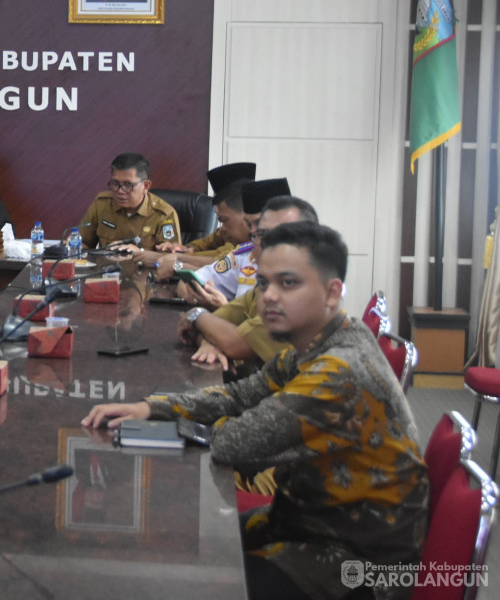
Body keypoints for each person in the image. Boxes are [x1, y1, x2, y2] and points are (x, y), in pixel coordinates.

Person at [83, 222, 428, 600]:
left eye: (289, 283)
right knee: (176, 551)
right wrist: (150, 407)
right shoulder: (322, 340)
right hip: (309, 520)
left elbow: (234, 443)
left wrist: (168, 424)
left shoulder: (338, 371)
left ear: (331, 293)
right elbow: (237, 397)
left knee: (191, 579)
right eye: (263, 283)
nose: (269, 297)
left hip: (358, 563)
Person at [182, 186, 314, 372]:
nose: (257, 240)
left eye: (267, 234)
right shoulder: (264, 288)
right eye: (257, 233)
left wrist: (196, 317)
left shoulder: (301, 296)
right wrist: (207, 339)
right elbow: (209, 324)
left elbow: (234, 343)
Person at [78, 152, 180, 251]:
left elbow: (171, 259)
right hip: (105, 266)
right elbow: (83, 243)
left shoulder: (163, 214)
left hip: (143, 267)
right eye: (115, 183)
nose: (120, 191)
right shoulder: (101, 204)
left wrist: (140, 255)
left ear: (145, 186)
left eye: (128, 184)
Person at [156, 162, 256, 258]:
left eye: (219, 201)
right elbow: (207, 242)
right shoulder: (227, 230)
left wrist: (180, 257)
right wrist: (186, 249)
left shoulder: (257, 239)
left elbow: (221, 259)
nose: (215, 209)